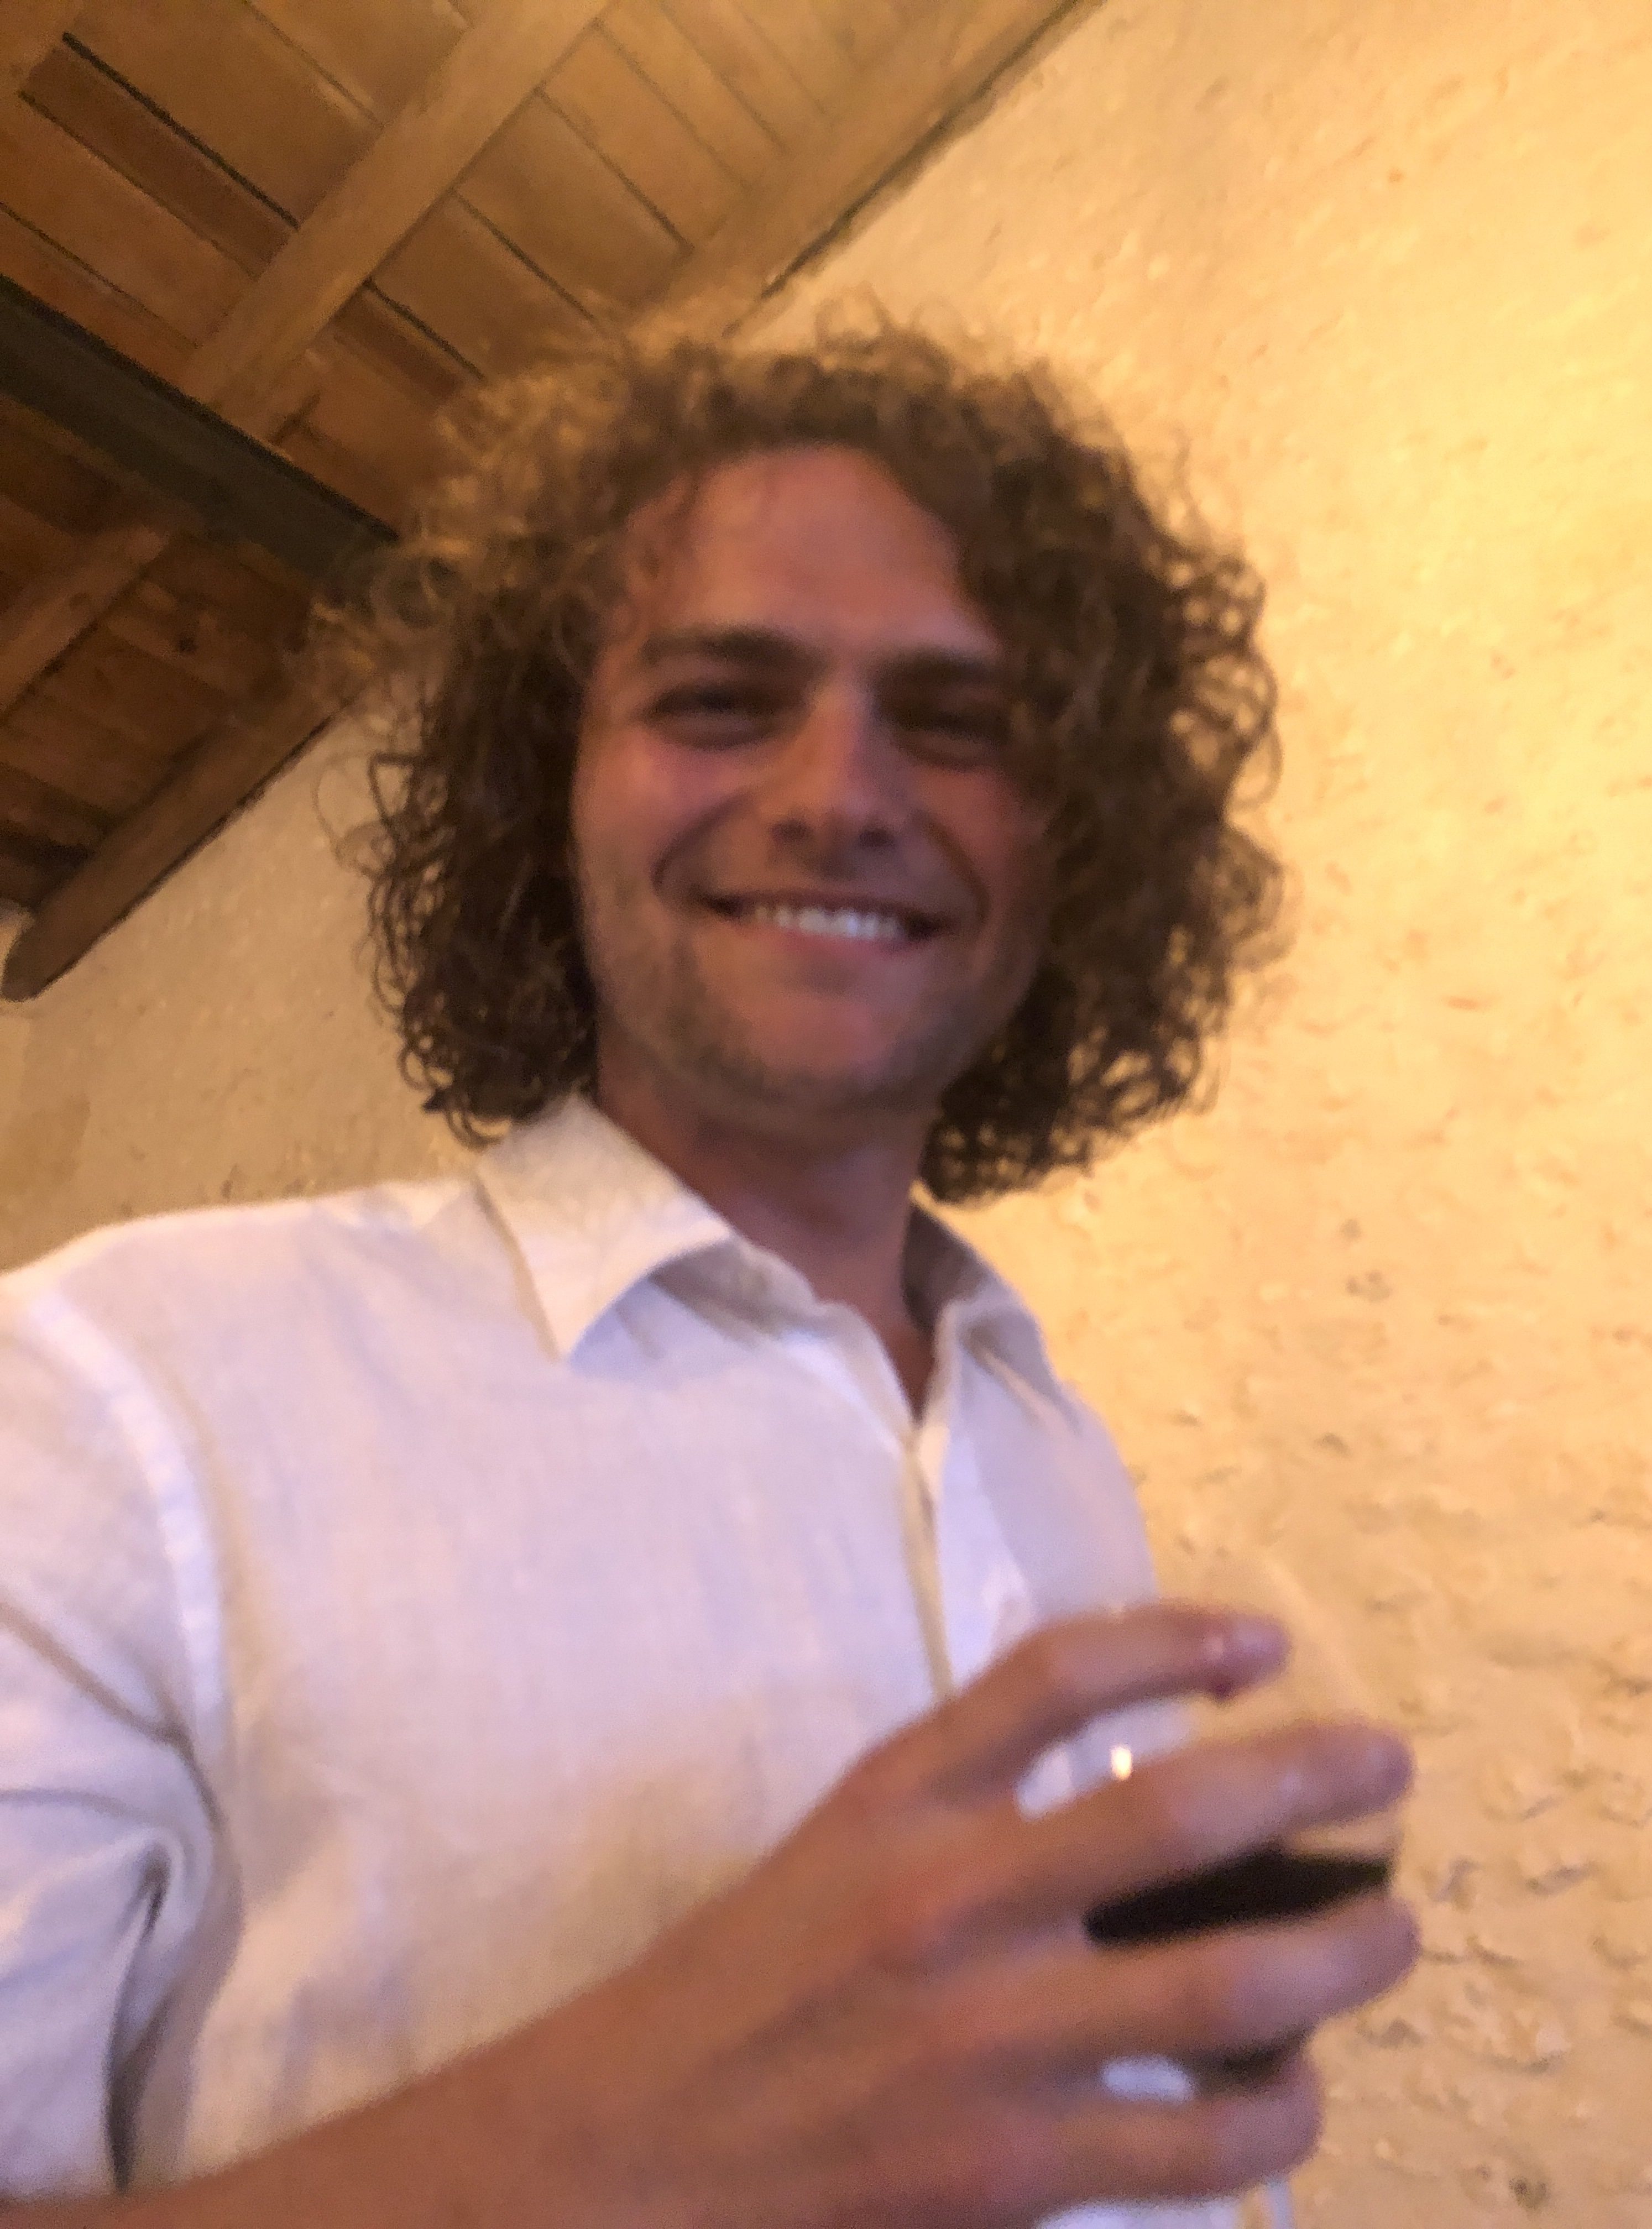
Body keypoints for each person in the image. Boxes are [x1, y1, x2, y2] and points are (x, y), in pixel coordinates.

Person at [0, 321, 1416, 2227]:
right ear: (543, 793)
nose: (840, 791)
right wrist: (603, 2154)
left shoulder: (1049, 1439)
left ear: (1076, 845)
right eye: (722, 700)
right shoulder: (106, 1396)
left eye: (960, 720)